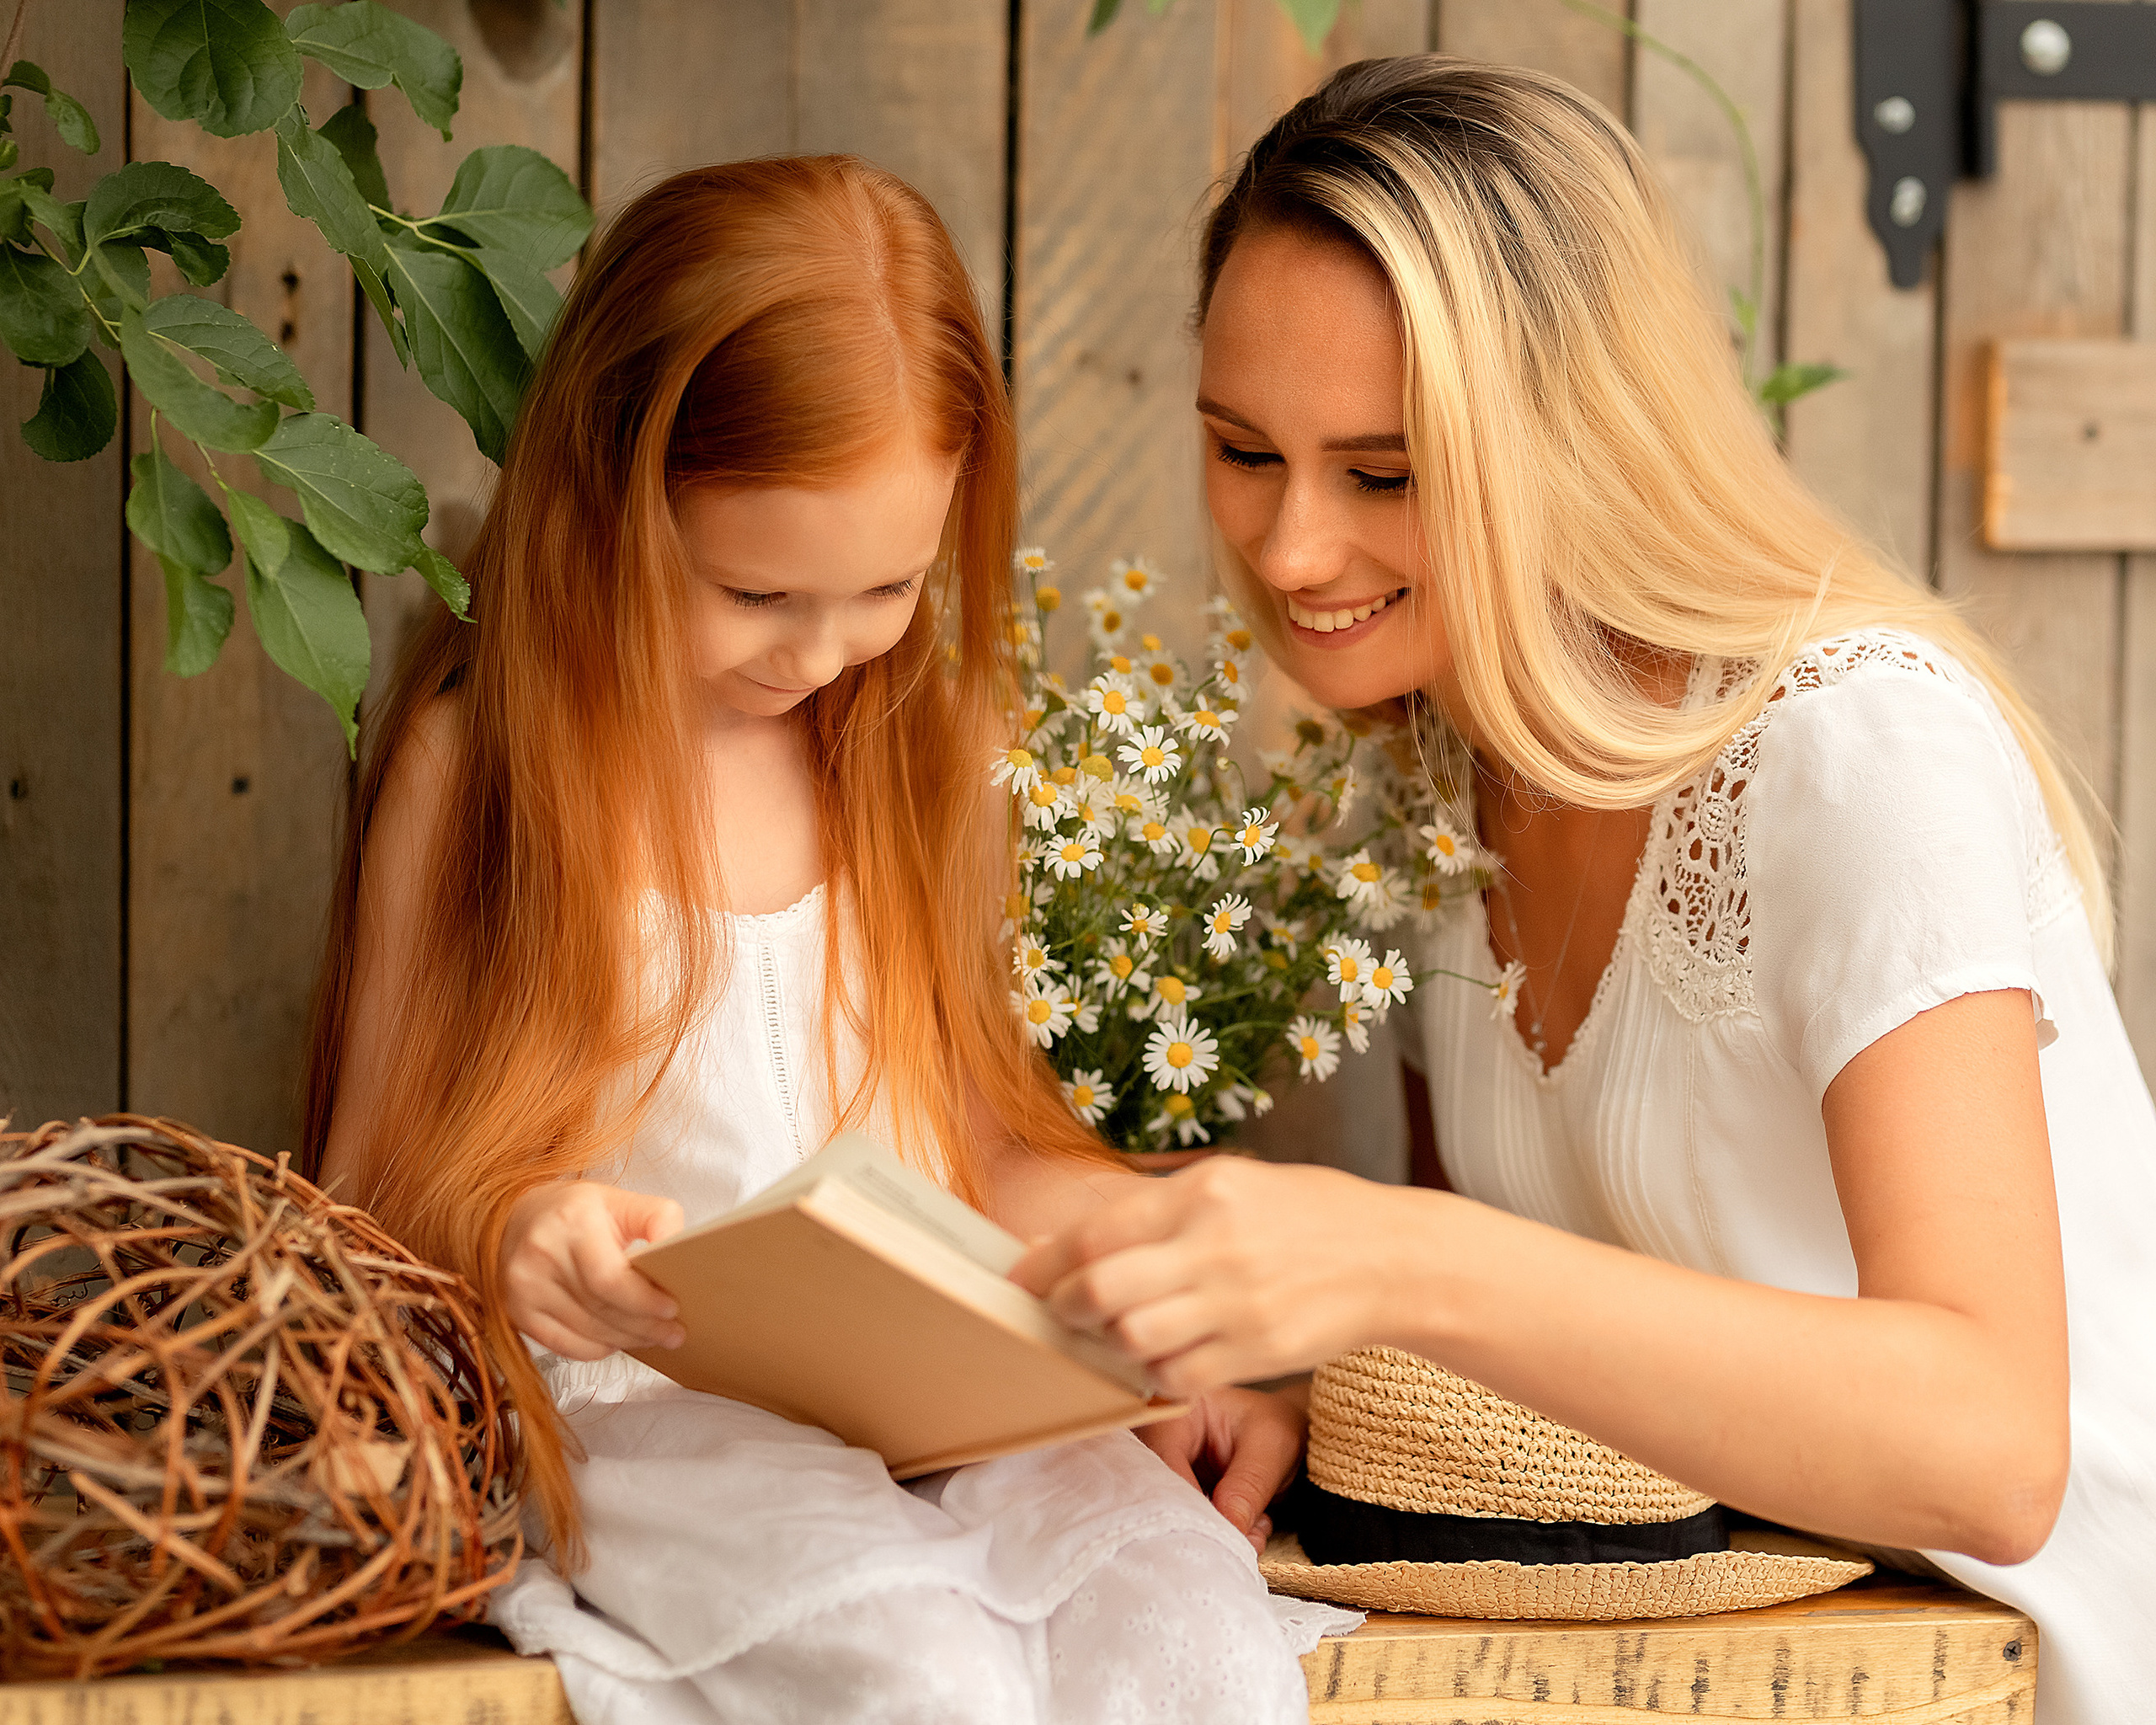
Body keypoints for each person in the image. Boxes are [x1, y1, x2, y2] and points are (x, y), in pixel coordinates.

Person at [1013, 57, 2156, 1724]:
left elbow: (1989, 1450)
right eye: (1240, 450)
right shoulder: (1422, 781)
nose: (1284, 548)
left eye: (1382, 473)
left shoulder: (1853, 752)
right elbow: (1527, 1379)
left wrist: (1389, 1260)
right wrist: (1301, 1391)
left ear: (1579, 437)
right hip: (1759, 1668)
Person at [303, 157, 1349, 1725]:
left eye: (886, 588)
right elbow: (358, 1209)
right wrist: (517, 1241)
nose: (817, 651)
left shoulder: (913, 739)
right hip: (646, 1417)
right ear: (609, 491)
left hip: (938, 1412)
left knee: (1183, 1621)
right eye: (752, 591)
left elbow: (974, 1139)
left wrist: (1143, 1291)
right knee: (911, 1668)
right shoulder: (489, 767)